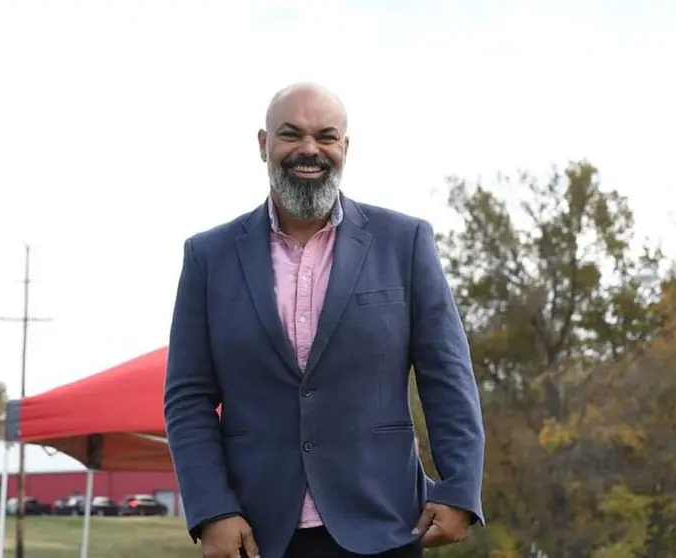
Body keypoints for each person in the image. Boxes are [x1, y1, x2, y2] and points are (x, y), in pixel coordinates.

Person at [164, 83, 485, 558]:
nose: (309, 149)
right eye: (291, 134)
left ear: (345, 147)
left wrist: (460, 488)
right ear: (263, 144)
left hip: (385, 525)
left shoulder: (405, 243)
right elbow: (188, 398)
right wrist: (212, 509)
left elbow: (447, 377)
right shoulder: (208, 256)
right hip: (254, 534)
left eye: (326, 136)